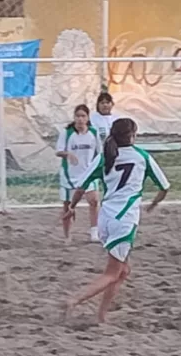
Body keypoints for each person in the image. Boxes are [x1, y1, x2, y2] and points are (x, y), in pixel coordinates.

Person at [61, 118, 170, 323]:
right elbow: (165, 187)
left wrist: (71, 207)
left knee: (123, 270)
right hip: (124, 219)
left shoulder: (105, 156)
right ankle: (74, 300)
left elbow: (82, 185)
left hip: (105, 218)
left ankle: (102, 316)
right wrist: (153, 205)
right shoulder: (142, 157)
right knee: (112, 273)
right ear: (133, 135)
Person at [56, 104, 100, 243]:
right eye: (78, 116)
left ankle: (94, 232)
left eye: (83, 116)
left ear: (87, 118)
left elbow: (100, 152)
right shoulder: (67, 133)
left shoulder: (94, 132)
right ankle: (67, 236)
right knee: (68, 206)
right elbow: (58, 151)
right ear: (74, 117)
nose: (80, 119)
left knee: (94, 201)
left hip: (88, 173)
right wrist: (68, 154)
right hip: (70, 176)